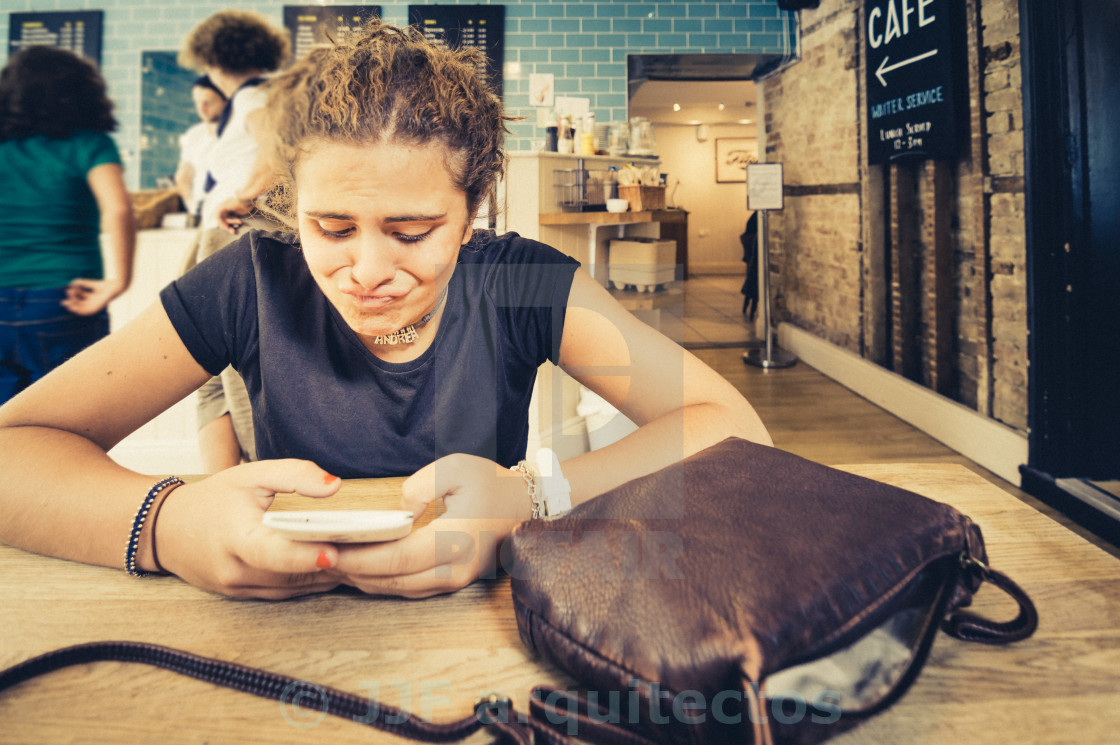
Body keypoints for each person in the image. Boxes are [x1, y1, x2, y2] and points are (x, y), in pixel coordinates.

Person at [0, 22, 772, 600]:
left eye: (412, 231)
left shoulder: (521, 284)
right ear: (291, 206)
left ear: (473, 211)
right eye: (330, 228)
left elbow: (732, 425)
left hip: (485, 629)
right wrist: (168, 525)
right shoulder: (250, 281)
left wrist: (530, 497)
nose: (367, 272)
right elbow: (15, 453)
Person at [176, 10, 290, 471]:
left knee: (235, 364)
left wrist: (242, 197)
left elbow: (275, 153)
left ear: (211, 57)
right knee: (209, 368)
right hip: (218, 234)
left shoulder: (252, 98)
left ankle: (260, 478)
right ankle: (224, 482)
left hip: (234, 234)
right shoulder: (253, 98)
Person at [0, 46, 136, 405]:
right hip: (64, 301)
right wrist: (119, 281)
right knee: (66, 425)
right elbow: (119, 209)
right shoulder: (90, 145)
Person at [173, 75, 226, 221]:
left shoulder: (240, 132)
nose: (202, 109)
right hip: (204, 212)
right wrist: (193, 206)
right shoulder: (194, 135)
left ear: (225, 99)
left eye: (207, 103)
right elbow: (183, 176)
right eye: (197, 103)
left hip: (235, 210)